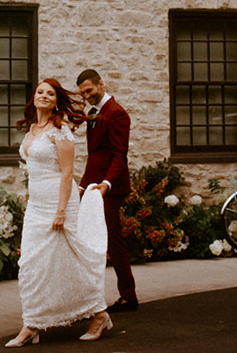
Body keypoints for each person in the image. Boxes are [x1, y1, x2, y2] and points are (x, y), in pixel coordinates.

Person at [6, 78, 114, 347]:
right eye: (40, 92)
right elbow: (32, 170)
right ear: (34, 97)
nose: (44, 96)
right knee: (30, 265)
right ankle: (32, 323)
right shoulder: (32, 129)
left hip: (59, 203)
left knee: (69, 263)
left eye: (50, 93)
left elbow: (67, 173)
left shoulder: (60, 129)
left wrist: (61, 211)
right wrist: (30, 199)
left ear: (56, 100)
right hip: (36, 206)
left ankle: (99, 314)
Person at [77, 69, 138, 313]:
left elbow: (118, 155)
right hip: (96, 185)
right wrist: (83, 183)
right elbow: (96, 156)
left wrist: (107, 184)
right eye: (83, 94)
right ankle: (128, 296)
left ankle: (92, 301)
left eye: (89, 91)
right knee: (113, 242)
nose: (87, 96)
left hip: (111, 188)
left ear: (101, 84)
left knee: (96, 241)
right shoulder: (93, 113)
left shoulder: (117, 113)